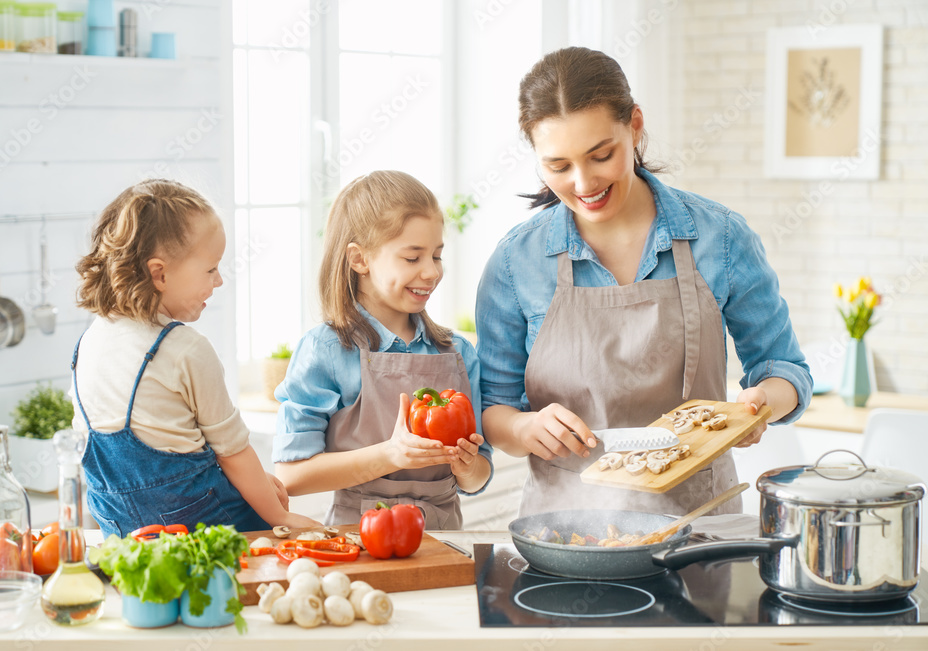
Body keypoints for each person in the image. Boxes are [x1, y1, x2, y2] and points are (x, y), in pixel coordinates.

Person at [475, 48, 813, 517]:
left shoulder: (722, 238)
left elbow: (784, 367)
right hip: (565, 529)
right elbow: (493, 408)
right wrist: (524, 429)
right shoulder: (516, 262)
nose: (583, 182)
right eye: (557, 166)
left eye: (601, 155)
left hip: (698, 524)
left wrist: (763, 404)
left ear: (634, 126)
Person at [72, 179, 320, 537]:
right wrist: (282, 517)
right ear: (159, 274)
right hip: (207, 530)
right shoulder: (185, 349)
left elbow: (153, 441)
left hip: (125, 534)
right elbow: (233, 452)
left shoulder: (91, 340)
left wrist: (255, 485)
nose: (219, 281)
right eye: (210, 269)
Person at [273, 170, 493, 529]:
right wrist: (390, 455)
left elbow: (479, 475)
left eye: (436, 256)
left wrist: (467, 467)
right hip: (359, 535)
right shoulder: (325, 350)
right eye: (412, 258)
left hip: (446, 537)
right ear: (360, 260)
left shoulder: (458, 353)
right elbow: (291, 475)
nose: (432, 272)